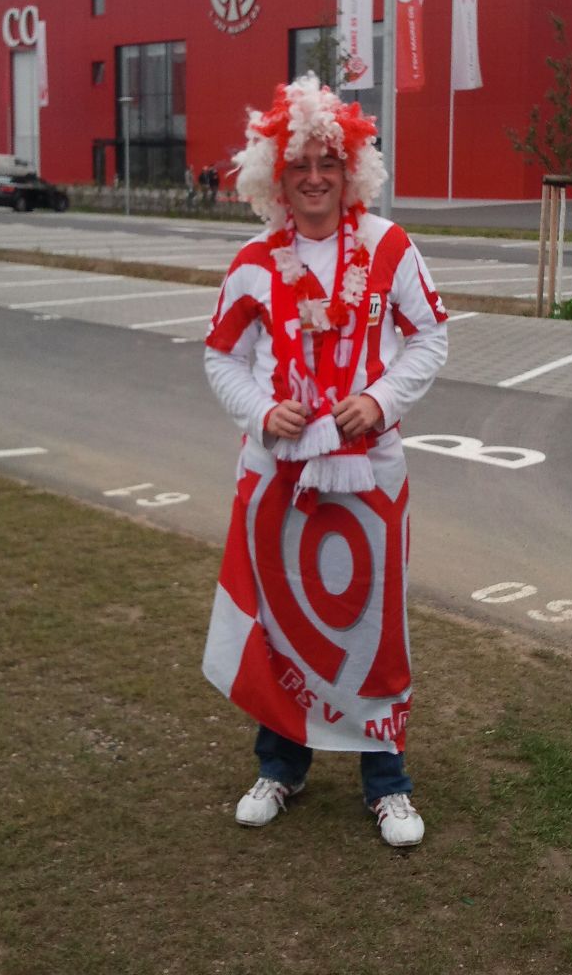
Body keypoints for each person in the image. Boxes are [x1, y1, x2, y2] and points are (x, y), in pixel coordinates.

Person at [202, 73, 447, 848]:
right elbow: (221, 360)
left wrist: (379, 400)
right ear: (276, 171)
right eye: (301, 163)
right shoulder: (250, 260)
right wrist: (259, 410)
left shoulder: (389, 246)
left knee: (376, 625)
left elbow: (432, 337)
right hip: (277, 477)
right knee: (279, 621)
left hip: (369, 474)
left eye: (329, 164)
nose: (314, 177)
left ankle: (388, 783)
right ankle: (282, 765)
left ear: (353, 171)